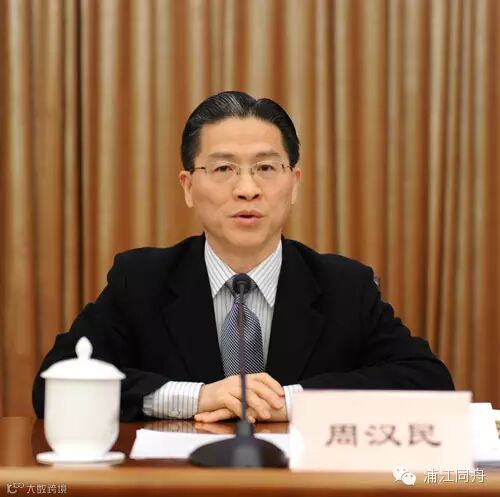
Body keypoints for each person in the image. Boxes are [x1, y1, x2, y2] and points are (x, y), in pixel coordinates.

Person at [32, 91, 454, 423]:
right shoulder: (141, 280)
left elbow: (429, 383)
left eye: (266, 168)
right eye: (223, 169)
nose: (247, 189)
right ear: (188, 187)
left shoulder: (345, 286)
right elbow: (54, 386)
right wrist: (195, 397)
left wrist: (290, 402)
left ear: (294, 183)